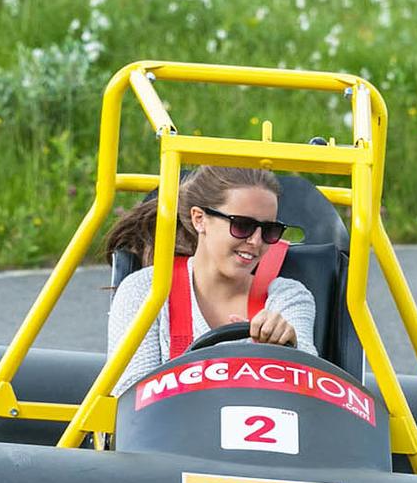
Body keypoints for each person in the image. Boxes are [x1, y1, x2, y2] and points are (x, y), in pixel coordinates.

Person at [105, 166, 317, 395]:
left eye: (269, 230)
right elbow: (129, 396)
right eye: (242, 225)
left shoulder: (288, 296)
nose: (256, 241)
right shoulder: (146, 290)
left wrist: (288, 351)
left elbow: (313, 383)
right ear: (199, 219)